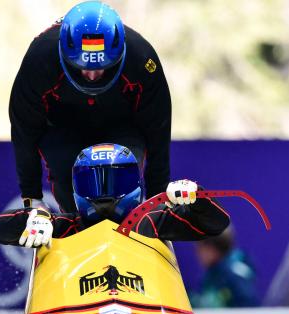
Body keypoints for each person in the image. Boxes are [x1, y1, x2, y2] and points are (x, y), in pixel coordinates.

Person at [9, 1, 171, 213]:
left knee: (121, 181)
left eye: (102, 68)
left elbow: (157, 130)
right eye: (82, 68)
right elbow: (24, 130)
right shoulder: (39, 60)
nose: (92, 76)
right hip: (63, 127)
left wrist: (157, 198)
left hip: (123, 125)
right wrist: (32, 198)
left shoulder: (142, 60)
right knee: (72, 188)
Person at [0, 144, 229, 246]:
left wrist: (197, 196)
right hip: (78, 313)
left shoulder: (153, 220)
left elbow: (216, 223)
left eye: (115, 181)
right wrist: (37, 216)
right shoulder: (62, 227)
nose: (104, 194)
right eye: (93, 183)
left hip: (144, 310)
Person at [189, 227, 259, 308]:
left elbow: (249, 308)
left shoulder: (235, 274)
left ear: (211, 248)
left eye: (199, 248)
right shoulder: (211, 274)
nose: (197, 253)